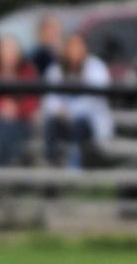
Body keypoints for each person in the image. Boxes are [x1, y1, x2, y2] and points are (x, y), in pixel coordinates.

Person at [42, 32, 113, 168]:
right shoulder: (56, 69)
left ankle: (76, 166)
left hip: (88, 123)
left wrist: (70, 111)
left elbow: (95, 100)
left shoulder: (96, 67)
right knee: (50, 123)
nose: (74, 50)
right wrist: (60, 110)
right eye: (71, 46)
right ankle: (51, 165)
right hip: (63, 121)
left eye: (78, 46)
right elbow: (49, 100)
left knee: (78, 124)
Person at [0, 35, 40, 166]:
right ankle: (9, 167)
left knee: (10, 128)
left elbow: (33, 102)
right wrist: (0, 108)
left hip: (21, 120)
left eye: (12, 50)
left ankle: (2, 171)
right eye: (5, 50)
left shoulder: (28, 71)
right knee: (2, 127)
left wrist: (16, 109)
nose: (8, 54)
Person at [28, 13, 64, 77]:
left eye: (55, 28)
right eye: (48, 28)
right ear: (40, 31)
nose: (52, 32)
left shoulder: (65, 53)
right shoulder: (35, 55)